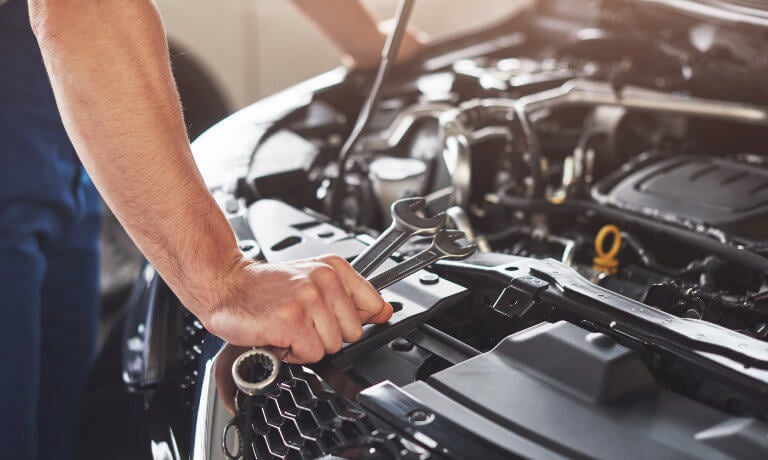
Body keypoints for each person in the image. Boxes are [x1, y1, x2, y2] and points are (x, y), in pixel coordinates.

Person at [0, 0, 424, 458]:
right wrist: (222, 281)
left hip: (47, 74)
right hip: (58, 48)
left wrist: (371, 45)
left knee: (53, 418)